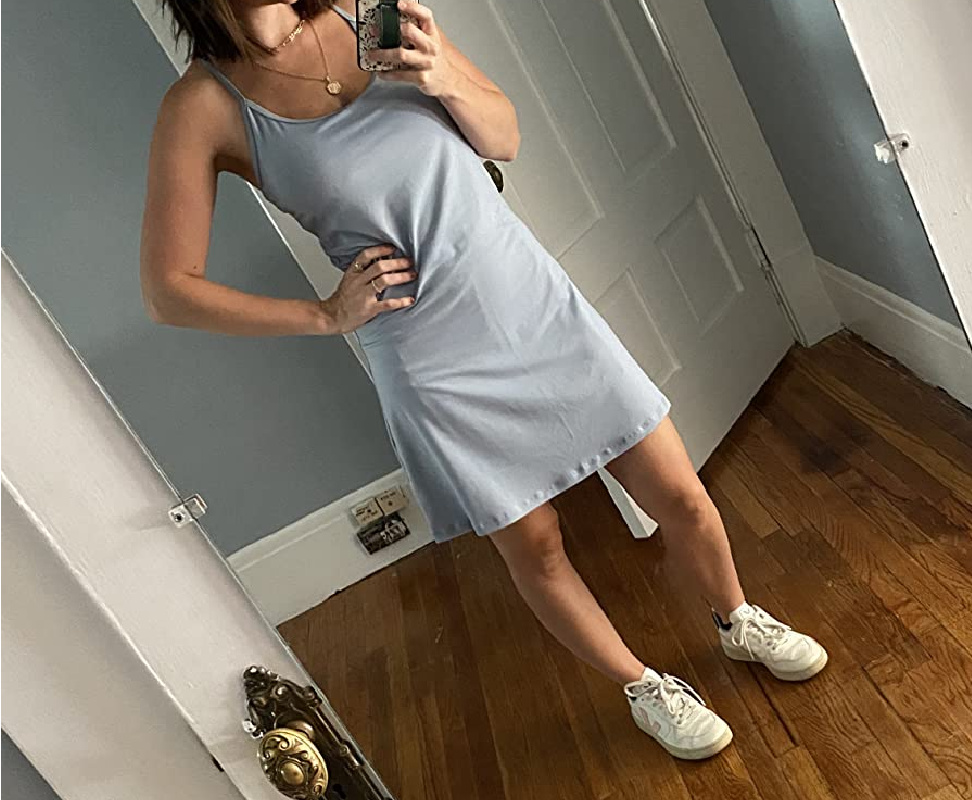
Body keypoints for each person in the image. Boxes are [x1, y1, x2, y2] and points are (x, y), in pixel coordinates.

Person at [141, 0, 827, 761]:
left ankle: (738, 619)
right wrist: (324, 315)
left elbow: (504, 136)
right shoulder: (204, 105)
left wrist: (441, 75)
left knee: (678, 492)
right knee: (536, 546)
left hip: (532, 303)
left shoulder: (370, 12)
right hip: (428, 358)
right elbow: (169, 290)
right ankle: (643, 688)